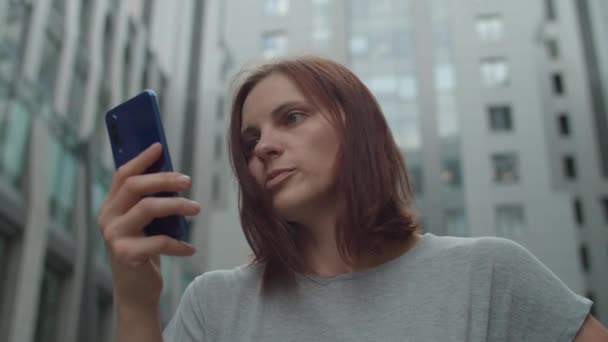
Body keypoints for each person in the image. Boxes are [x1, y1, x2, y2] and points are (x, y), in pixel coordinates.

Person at [98, 56, 608, 341]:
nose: (265, 148)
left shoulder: (491, 274)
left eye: (292, 118)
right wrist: (137, 303)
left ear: (356, 127)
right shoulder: (215, 306)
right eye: (251, 141)